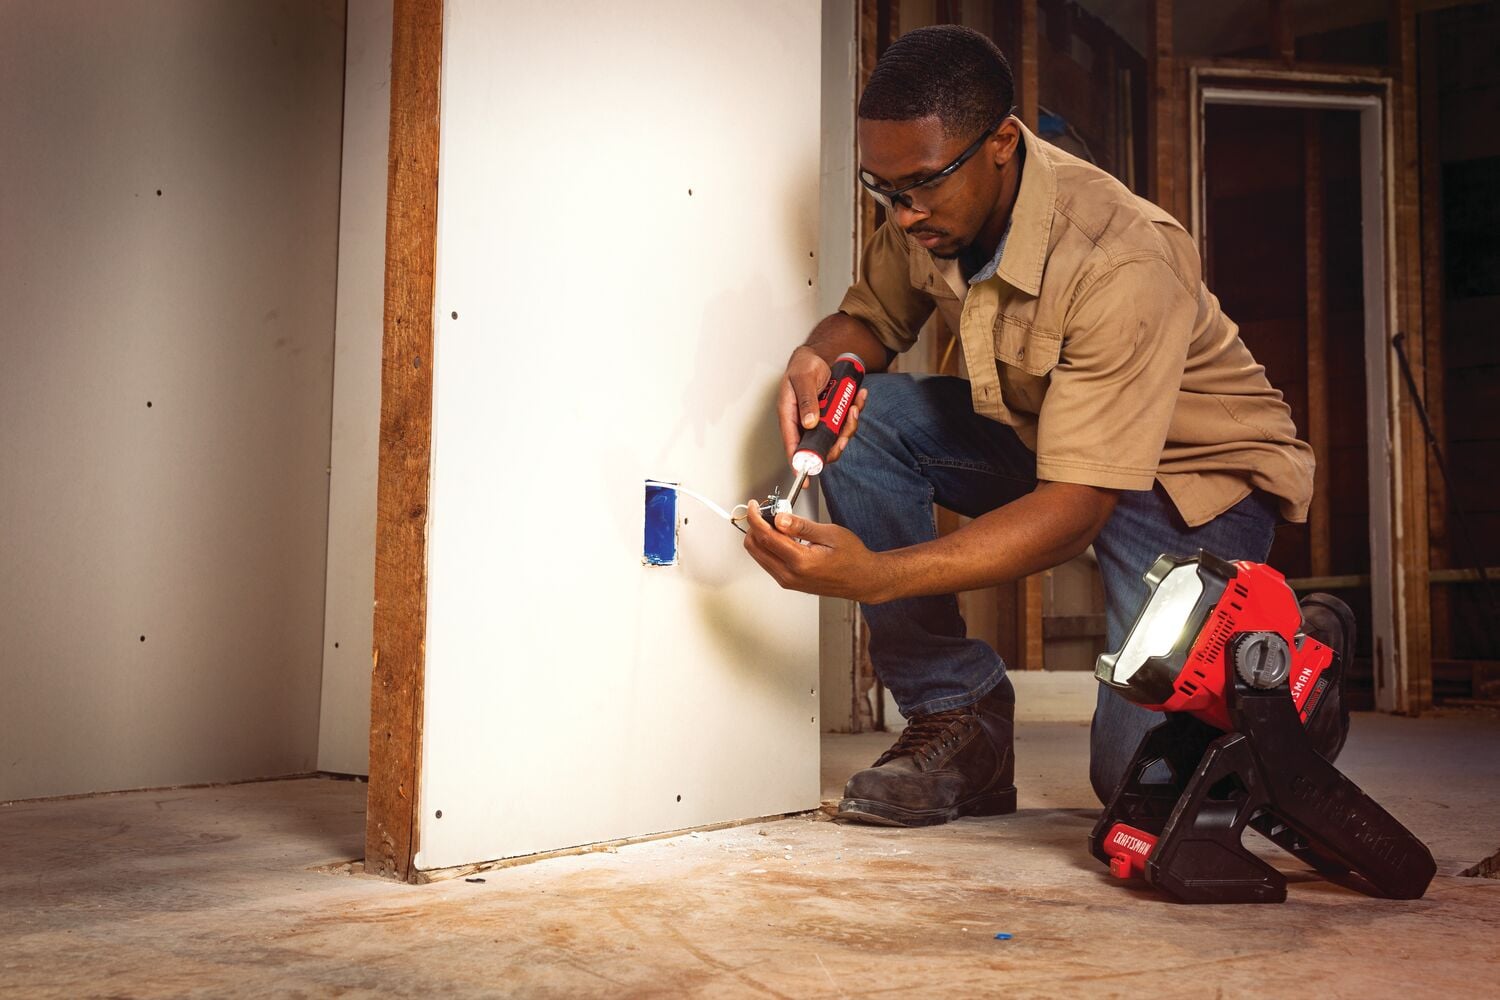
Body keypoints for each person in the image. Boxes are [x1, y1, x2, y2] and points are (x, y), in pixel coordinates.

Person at [742, 24, 1337, 827]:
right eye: (883, 188)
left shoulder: (1121, 258)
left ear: (1001, 144)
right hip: (1053, 441)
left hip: (1193, 480)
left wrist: (877, 576)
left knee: (1142, 784)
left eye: (920, 185)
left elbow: (1074, 512)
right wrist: (817, 357)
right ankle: (960, 719)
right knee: (868, 420)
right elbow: (871, 324)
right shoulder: (928, 209)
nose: (904, 213)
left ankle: (1293, 672)